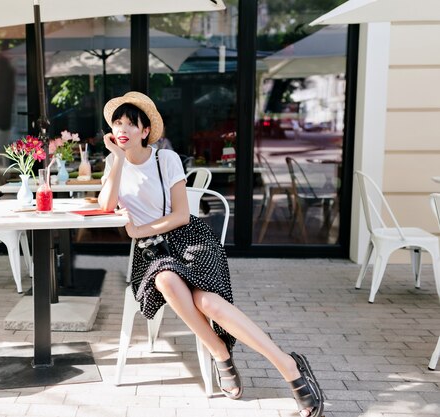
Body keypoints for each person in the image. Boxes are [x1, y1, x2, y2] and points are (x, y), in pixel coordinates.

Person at [98, 92, 324, 417]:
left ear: (145, 130)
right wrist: (117, 160)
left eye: (130, 124)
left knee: (207, 302)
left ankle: (288, 365)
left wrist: (138, 230)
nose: (122, 129)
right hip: (153, 253)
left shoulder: (166, 159)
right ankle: (219, 350)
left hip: (189, 239)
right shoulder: (112, 162)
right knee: (165, 279)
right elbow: (105, 206)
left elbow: (179, 215)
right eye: (117, 123)